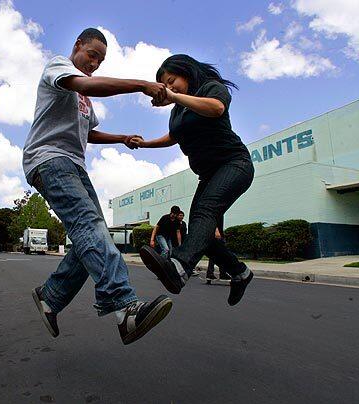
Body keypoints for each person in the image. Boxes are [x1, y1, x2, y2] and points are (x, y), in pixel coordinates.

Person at [23, 28, 173, 345]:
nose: (94, 64)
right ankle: (124, 308)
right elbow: (87, 83)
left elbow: (90, 133)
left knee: (93, 236)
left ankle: (51, 297)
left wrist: (120, 138)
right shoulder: (58, 67)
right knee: (89, 225)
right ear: (77, 46)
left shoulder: (85, 102)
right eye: (92, 55)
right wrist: (141, 85)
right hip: (48, 160)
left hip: (74, 165)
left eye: (100, 61)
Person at [132, 54, 255, 306]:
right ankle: (240, 273)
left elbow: (216, 108)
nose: (169, 88)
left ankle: (179, 267)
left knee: (205, 213)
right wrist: (144, 144)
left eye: (171, 81)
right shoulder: (177, 112)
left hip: (234, 164)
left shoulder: (210, 88)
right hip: (208, 175)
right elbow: (173, 137)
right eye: (164, 86)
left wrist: (175, 96)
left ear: (186, 72)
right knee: (204, 234)